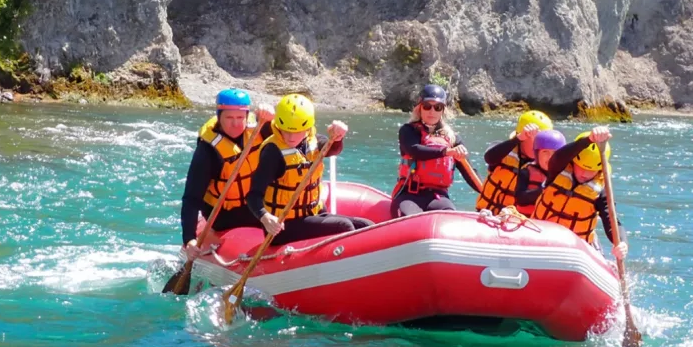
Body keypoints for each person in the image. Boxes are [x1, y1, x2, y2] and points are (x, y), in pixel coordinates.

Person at [247, 93, 374, 245]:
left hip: (311, 214)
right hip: (283, 226)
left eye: (297, 131)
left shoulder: (314, 141)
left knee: (366, 225)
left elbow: (332, 149)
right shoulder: (273, 152)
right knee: (344, 227)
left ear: (308, 128)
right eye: (286, 130)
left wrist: (338, 137)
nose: (291, 137)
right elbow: (253, 195)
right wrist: (265, 218)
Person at [180, 88, 275, 260]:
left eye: (240, 118)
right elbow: (191, 198)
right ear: (219, 117)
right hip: (225, 213)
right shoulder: (208, 150)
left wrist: (271, 119)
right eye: (229, 118)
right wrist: (189, 239)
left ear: (247, 116)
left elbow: (292, 140)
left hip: (257, 202)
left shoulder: (260, 129)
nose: (236, 124)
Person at [532, 126, 629, 260]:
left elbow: (611, 222)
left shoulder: (601, 191)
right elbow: (558, 156)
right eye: (581, 167)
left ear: (600, 169)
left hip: (576, 246)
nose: (584, 174)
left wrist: (622, 242)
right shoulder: (557, 170)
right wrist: (589, 140)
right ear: (573, 162)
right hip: (539, 234)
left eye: (591, 170)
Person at [390, 84, 480, 218]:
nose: (432, 111)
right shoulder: (408, 131)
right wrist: (446, 152)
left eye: (437, 107)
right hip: (409, 194)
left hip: (438, 197)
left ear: (442, 110)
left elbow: (469, 173)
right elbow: (415, 151)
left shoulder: (453, 139)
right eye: (427, 106)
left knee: (449, 219)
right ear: (420, 108)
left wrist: (487, 194)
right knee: (409, 217)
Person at [475, 110, 554, 216]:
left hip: (517, 222)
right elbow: (489, 158)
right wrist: (518, 138)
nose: (539, 146)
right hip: (487, 214)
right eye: (535, 141)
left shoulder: (545, 164)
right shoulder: (503, 150)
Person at [513, 129, 566, 216]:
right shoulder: (526, 173)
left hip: (554, 225)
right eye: (545, 152)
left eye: (555, 153)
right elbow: (520, 199)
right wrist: (545, 190)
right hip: (528, 222)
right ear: (537, 154)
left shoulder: (566, 177)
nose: (550, 157)